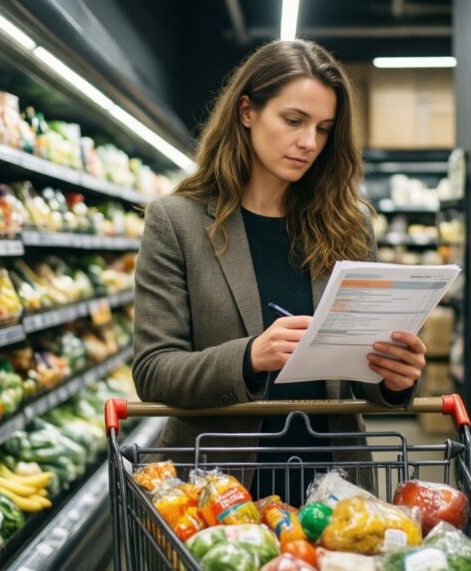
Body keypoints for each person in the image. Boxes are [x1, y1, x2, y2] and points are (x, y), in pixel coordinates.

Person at [132, 39, 427, 504]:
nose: (309, 142)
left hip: (334, 488)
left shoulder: (349, 226)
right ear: (247, 111)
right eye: (293, 121)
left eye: (324, 128)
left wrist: (396, 378)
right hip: (216, 491)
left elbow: (361, 378)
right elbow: (153, 370)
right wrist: (249, 356)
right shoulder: (177, 222)